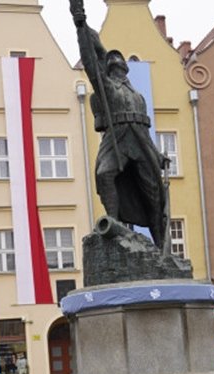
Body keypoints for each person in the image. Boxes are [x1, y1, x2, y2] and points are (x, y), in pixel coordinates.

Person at [72, 0, 171, 250]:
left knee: (154, 195)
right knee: (105, 173)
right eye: (111, 59)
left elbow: (146, 132)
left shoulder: (138, 95)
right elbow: (90, 58)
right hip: (116, 138)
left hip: (139, 141)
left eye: (118, 59)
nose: (115, 61)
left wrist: (157, 155)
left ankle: (161, 247)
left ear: (125, 68)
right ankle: (113, 225)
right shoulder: (105, 87)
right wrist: (81, 25)